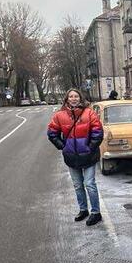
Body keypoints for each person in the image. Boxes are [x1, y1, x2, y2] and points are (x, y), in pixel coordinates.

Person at [47, 89, 104, 225]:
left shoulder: (89, 113)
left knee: (90, 184)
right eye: (71, 96)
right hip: (71, 157)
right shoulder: (59, 115)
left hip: (89, 156)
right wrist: (63, 146)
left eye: (76, 96)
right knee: (78, 185)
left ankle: (96, 212)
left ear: (80, 98)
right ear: (67, 99)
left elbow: (98, 132)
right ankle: (83, 210)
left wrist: (90, 147)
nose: (73, 99)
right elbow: (52, 133)